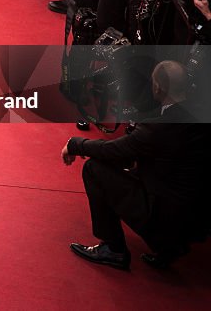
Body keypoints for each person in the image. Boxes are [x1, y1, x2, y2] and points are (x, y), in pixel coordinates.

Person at [62, 60, 211, 270]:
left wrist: (75, 144)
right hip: (197, 218)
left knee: (94, 169)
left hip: (166, 218)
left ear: (157, 87)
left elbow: (114, 150)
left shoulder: (159, 128)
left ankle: (113, 249)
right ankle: (171, 248)